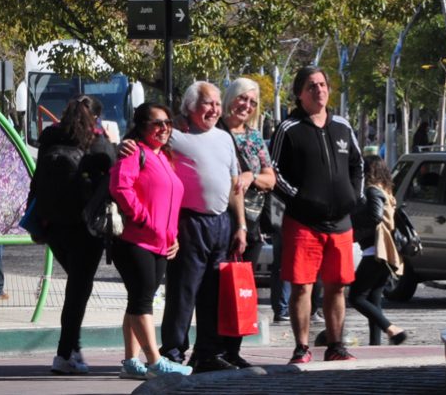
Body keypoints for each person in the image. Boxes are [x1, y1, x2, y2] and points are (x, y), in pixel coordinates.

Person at [152, 81, 248, 373]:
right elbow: (145, 143)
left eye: (218, 104)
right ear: (191, 107)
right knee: (184, 291)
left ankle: (207, 352)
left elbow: (235, 186)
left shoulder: (224, 137)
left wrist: (240, 225)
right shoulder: (175, 136)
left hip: (220, 222)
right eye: (208, 103)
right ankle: (173, 352)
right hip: (189, 221)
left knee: (213, 293)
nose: (215, 109)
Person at [271, 65, 364, 363]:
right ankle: (301, 347)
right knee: (302, 286)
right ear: (300, 93)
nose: (319, 90)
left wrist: (354, 197)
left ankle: (336, 346)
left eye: (323, 84)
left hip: (340, 223)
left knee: (337, 287)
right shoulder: (288, 129)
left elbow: (358, 165)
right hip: (303, 223)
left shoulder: (343, 127)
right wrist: (301, 198)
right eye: (312, 86)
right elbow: (274, 172)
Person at [29, 95, 116, 374]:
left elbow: (36, 179)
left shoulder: (50, 136)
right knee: (78, 289)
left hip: (52, 224)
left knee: (77, 287)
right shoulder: (96, 141)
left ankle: (72, 348)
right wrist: (112, 141)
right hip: (85, 227)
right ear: (96, 118)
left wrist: (37, 222)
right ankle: (65, 353)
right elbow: (113, 171)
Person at [109, 102, 191, 379]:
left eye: (167, 123)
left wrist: (173, 236)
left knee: (138, 300)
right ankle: (156, 361)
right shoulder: (135, 152)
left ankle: (132, 362)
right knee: (143, 301)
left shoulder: (164, 158)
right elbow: (120, 186)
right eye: (157, 123)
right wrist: (142, 217)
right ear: (142, 126)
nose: (164, 128)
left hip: (160, 242)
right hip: (135, 241)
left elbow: (168, 202)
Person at [218, 77, 276, 364]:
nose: (247, 106)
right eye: (243, 98)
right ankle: (213, 351)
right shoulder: (215, 131)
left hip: (251, 225)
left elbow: (271, 178)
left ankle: (232, 350)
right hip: (221, 220)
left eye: (252, 102)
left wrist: (251, 176)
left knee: (241, 287)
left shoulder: (253, 137)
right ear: (231, 98)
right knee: (217, 289)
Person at [348, 156, 407, 346]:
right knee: (374, 301)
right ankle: (375, 345)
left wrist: (353, 233)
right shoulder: (386, 191)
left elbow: (374, 217)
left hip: (376, 251)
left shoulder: (373, 191)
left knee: (356, 297)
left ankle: (392, 329)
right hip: (384, 252)